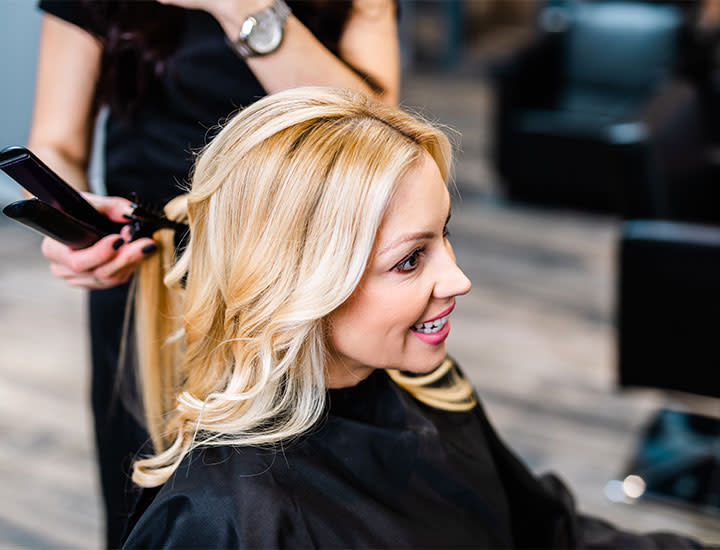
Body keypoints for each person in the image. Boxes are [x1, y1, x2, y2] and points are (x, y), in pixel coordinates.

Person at [121, 86, 706, 548]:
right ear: (298, 284)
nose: (458, 280)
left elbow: (552, 534)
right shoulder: (225, 521)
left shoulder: (433, 387)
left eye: (443, 235)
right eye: (409, 260)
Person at [27, 1, 399, 546]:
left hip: (305, 276)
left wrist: (241, 8)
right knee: (154, 500)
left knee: (318, 503)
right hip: (153, 281)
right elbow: (55, 141)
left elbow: (377, 136)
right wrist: (72, 220)